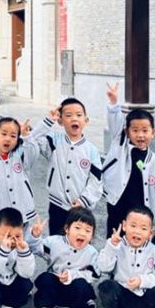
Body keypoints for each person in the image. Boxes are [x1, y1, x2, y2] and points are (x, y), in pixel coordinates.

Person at [103, 82, 155, 235]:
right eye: (135, 130)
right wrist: (114, 103)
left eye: (145, 130)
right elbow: (115, 123)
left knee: (137, 241)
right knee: (115, 239)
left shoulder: (154, 160)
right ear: (127, 132)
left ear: (153, 132)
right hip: (117, 205)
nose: (140, 135)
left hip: (141, 211)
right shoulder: (120, 145)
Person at [97, 206, 155, 308]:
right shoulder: (115, 245)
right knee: (106, 286)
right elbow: (103, 267)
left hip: (145, 297)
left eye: (143, 228)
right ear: (124, 226)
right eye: (133, 226)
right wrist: (111, 248)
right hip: (121, 296)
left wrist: (142, 281)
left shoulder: (154, 251)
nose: (137, 231)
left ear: (150, 233)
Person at [38, 98, 103, 234]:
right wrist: (48, 121)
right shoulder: (54, 141)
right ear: (60, 121)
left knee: (79, 241)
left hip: (81, 208)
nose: (74, 119)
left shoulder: (91, 150)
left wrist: (83, 200)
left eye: (79, 115)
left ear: (86, 120)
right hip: (57, 205)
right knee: (56, 242)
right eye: (68, 115)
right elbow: (33, 139)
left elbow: (96, 180)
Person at [0, 115, 48, 237]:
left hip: (23, 211)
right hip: (1, 214)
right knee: (3, 243)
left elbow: (33, 152)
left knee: (22, 242)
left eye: (13, 136)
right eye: (4, 134)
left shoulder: (21, 156)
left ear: (17, 139)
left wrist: (26, 136)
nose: (8, 139)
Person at [31, 207, 100, 308]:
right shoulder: (54, 242)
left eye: (88, 231)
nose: (82, 233)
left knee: (82, 285)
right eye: (77, 228)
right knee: (46, 278)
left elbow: (94, 275)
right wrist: (35, 237)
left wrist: (72, 275)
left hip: (76, 293)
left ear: (92, 236)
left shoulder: (91, 252)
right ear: (67, 229)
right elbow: (36, 250)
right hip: (55, 289)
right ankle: (47, 307)